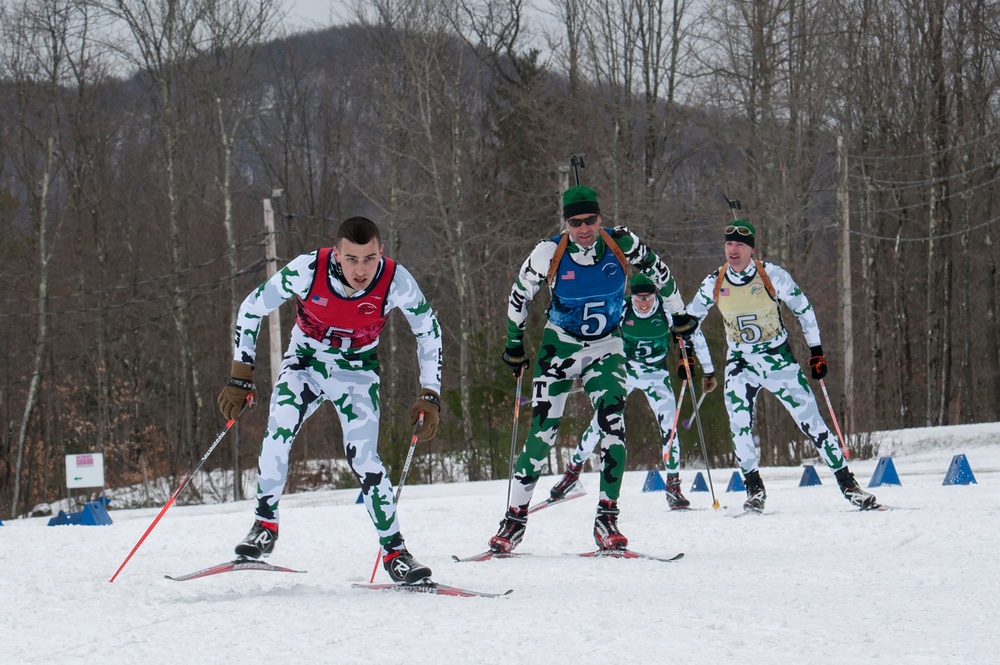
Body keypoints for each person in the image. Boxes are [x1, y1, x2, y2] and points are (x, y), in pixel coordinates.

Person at [217, 216, 443, 584]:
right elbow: (251, 308)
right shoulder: (308, 269)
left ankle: (396, 553)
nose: (361, 269)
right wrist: (240, 374)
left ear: (380, 252)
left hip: (357, 369)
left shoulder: (395, 281)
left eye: (369, 259)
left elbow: (428, 332)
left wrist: (430, 392)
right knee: (278, 432)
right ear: (337, 254)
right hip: (305, 362)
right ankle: (264, 525)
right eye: (352, 259)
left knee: (365, 458)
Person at [489, 185, 698, 554]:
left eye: (590, 220)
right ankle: (515, 519)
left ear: (600, 218)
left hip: (607, 345)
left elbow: (661, 272)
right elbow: (519, 294)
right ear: (566, 222)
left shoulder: (622, 244)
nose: (584, 228)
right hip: (560, 345)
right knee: (542, 434)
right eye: (575, 222)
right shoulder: (549, 252)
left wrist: (680, 314)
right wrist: (513, 342)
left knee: (613, 423)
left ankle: (607, 518)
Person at [684, 218, 878, 512]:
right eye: (728, 244)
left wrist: (817, 351)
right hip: (740, 363)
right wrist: (688, 352)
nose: (732, 250)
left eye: (739, 245)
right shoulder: (715, 281)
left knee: (812, 423)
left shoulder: (771, 275)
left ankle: (849, 485)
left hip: (776, 359)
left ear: (751, 249)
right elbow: (689, 320)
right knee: (738, 426)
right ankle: (754, 490)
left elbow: (804, 309)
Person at [547, 273, 716, 510]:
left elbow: (693, 334)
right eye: (639, 298)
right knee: (601, 420)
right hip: (625, 370)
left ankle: (673, 487)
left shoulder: (667, 311)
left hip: (656, 374)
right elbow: (593, 334)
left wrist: (705, 369)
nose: (643, 303)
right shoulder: (621, 308)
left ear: (655, 295)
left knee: (670, 426)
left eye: (647, 298)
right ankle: (572, 474)